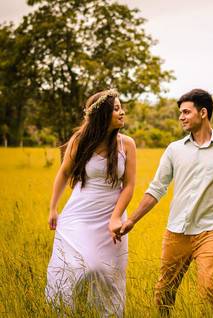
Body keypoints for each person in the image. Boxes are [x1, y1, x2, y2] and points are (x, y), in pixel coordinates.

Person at [112, 88, 213, 314]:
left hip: (210, 232)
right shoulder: (174, 150)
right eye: (180, 113)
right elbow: (156, 189)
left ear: (203, 113)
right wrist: (132, 220)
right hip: (176, 232)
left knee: (209, 293)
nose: (181, 117)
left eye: (186, 112)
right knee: (164, 293)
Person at [45, 89, 136, 316]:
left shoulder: (127, 144)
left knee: (108, 272)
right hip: (80, 214)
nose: (122, 112)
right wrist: (53, 208)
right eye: (116, 109)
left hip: (112, 215)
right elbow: (64, 173)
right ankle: (66, 310)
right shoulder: (80, 140)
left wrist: (116, 217)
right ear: (103, 114)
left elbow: (129, 186)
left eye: (120, 107)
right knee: (78, 266)